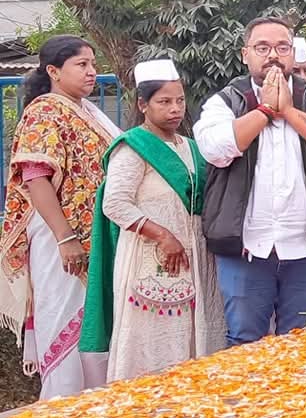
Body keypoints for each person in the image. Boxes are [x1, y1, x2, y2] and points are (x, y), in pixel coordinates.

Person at [194, 16, 306, 346]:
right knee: (245, 341)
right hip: (245, 246)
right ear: (245, 54)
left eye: (282, 47)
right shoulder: (226, 101)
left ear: (292, 54)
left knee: (304, 343)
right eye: (262, 47)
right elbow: (216, 149)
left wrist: (289, 112)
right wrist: (266, 110)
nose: (273, 55)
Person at [81, 60, 226, 381]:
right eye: (164, 102)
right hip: (149, 259)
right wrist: (162, 235)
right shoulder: (132, 148)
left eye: (180, 101)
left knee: (194, 336)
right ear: (142, 105)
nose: (175, 109)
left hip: (195, 259)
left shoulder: (191, 147)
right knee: (151, 340)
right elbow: (115, 203)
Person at [0, 36, 118, 399]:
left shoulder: (88, 111)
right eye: (82, 65)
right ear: (53, 71)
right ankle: (61, 407)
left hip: (97, 237)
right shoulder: (44, 111)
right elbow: (35, 178)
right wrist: (65, 238)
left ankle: (96, 405)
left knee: (98, 326)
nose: (92, 72)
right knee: (65, 319)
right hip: (60, 241)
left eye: (93, 64)